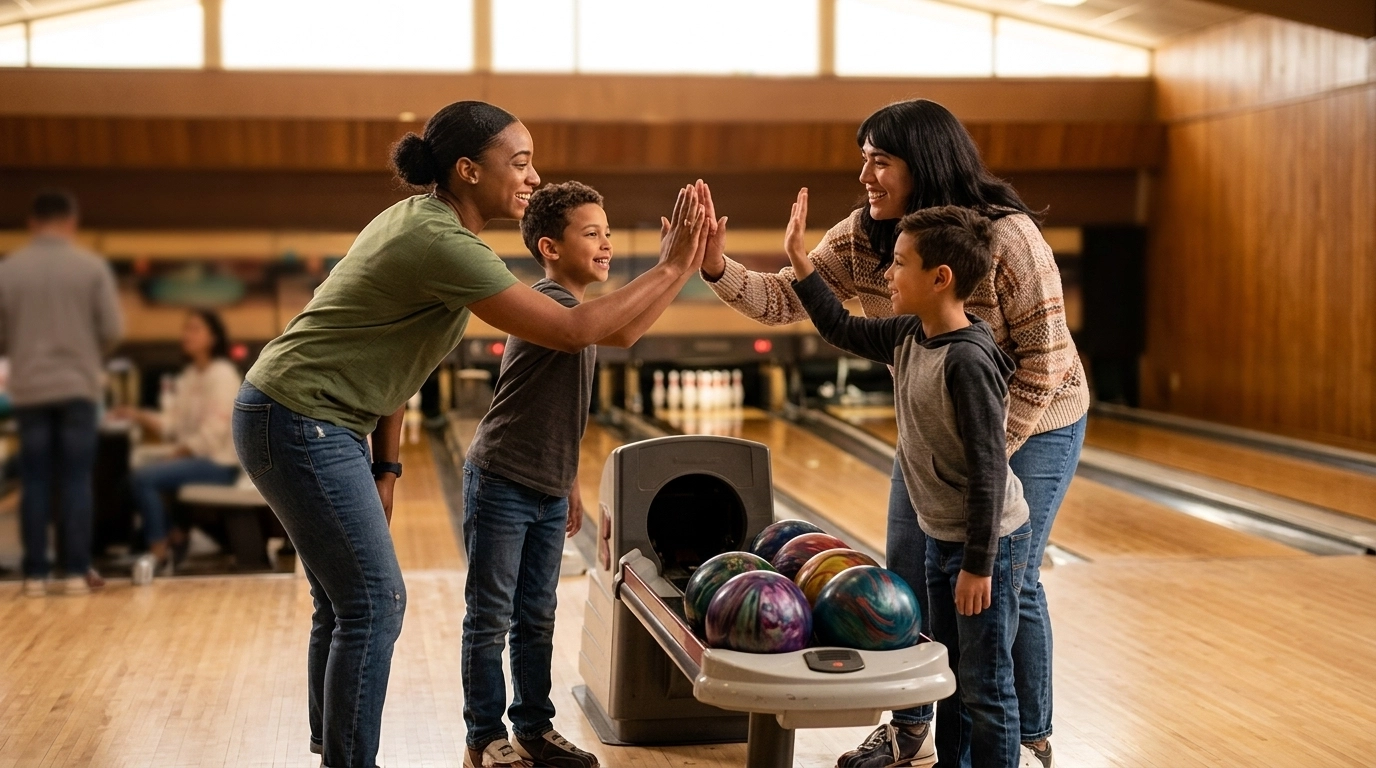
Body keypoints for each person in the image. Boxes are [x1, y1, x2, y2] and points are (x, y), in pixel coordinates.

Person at [232, 100, 708, 768]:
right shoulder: (441, 242)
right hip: (302, 417)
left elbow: (399, 363)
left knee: (343, 604)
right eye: (519, 163)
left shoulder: (427, 228)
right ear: (467, 170)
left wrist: (387, 467)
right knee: (374, 603)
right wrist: (672, 266)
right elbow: (575, 330)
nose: (532, 176)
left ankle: (334, 748)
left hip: (305, 416)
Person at [701, 100, 1086, 768]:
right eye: (863, 160)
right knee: (907, 574)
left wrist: (975, 469)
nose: (866, 176)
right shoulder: (864, 236)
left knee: (1004, 577)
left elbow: (1046, 362)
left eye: (881, 160)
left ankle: (1028, 736)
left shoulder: (1008, 237)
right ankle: (912, 728)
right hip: (937, 423)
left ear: (925, 164)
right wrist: (716, 267)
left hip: (1038, 417)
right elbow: (794, 301)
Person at [462, 180, 706, 768]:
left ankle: (534, 729)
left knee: (537, 615)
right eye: (591, 233)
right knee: (491, 616)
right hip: (501, 479)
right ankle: (483, 738)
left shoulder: (586, 315)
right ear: (549, 247)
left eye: (609, 233)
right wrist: (668, 266)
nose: (605, 244)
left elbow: (625, 331)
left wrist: (679, 269)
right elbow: (608, 326)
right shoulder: (553, 305)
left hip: (546, 485)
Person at [787, 195, 1032, 768]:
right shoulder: (908, 334)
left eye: (899, 263)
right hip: (943, 537)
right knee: (948, 676)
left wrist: (978, 563)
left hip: (988, 544)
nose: (887, 273)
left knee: (986, 686)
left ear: (940, 277)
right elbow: (842, 327)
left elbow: (989, 471)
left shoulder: (968, 360)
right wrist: (800, 262)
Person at [0, 190, 123, 598]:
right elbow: (112, 330)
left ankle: (34, 575)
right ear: (71, 222)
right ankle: (74, 571)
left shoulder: (9, 270)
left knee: (34, 481)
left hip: (30, 389)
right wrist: (85, 355)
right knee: (74, 480)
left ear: (32, 223)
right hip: (77, 387)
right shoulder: (90, 268)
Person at [115, 310, 242, 575]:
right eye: (186, 329)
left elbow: (215, 431)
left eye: (195, 329)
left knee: (143, 478)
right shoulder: (189, 377)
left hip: (219, 462)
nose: (186, 335)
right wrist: (137, 415)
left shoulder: (223, 374)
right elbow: (172, 424)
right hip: (197, 458)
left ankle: (158, 549)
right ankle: (174, 534)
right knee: (131, 478)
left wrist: (181, 452)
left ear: (213, 338)